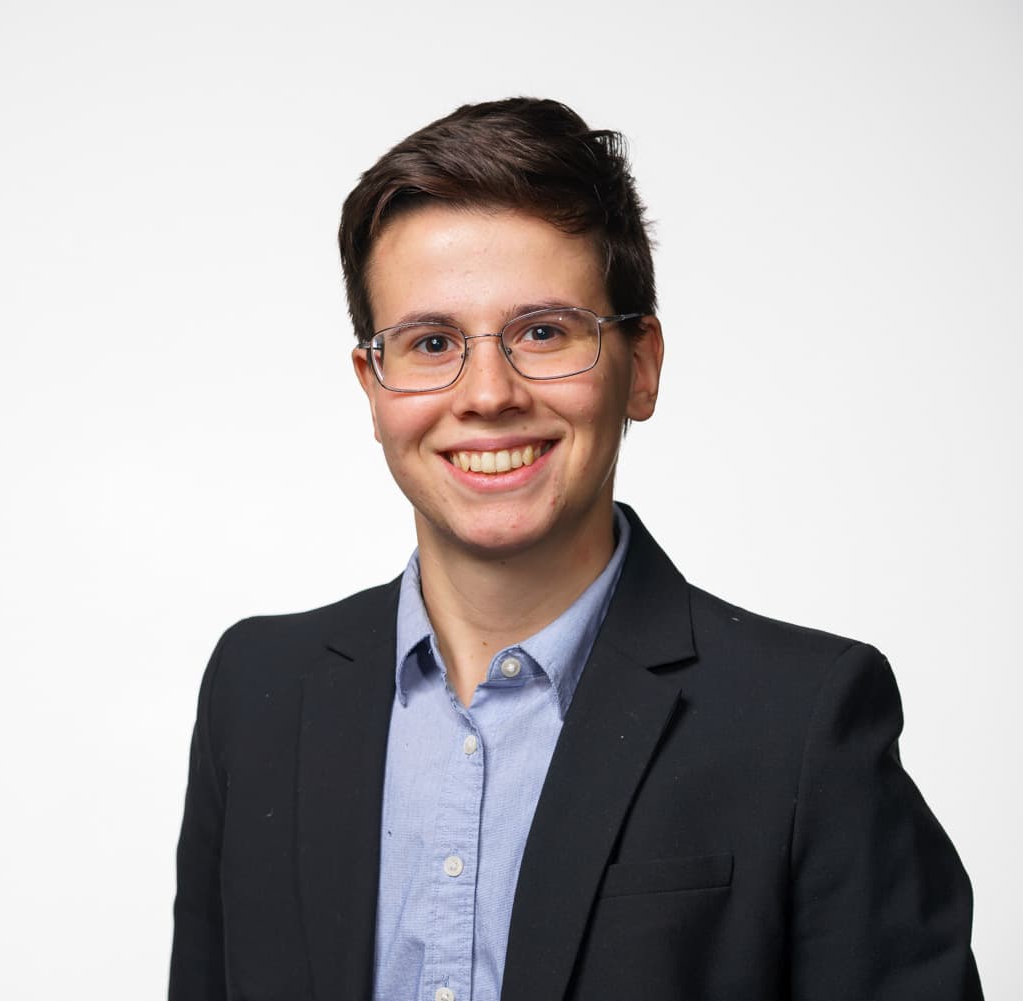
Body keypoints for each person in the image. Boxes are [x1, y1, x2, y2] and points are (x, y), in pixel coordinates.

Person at [169, 97, 982, 1001]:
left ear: (641, 365)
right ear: (374, 385)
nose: (487, 393)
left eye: (544, 332)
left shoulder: (804, 723)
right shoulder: (256, 693)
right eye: (431, 341)